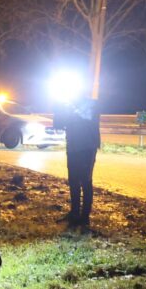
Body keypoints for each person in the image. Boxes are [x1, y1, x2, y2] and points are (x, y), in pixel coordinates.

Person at [55, 96, 101, 227]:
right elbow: (58, 124)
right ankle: (74, 213)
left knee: (85, 181)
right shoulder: (68, 105)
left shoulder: (91, 104)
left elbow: (86, 119)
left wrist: (71, 108)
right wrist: (58, 106)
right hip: (73, 147)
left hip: (87, 148)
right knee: (73, 181)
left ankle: (84, 217)